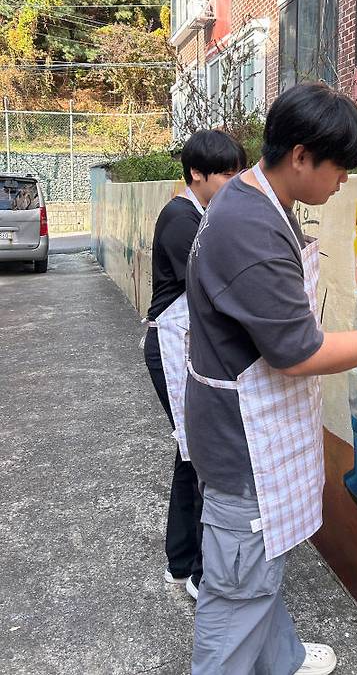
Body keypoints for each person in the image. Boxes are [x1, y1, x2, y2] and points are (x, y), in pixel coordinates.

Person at [184, 84, 357, 675]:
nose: (344, 181)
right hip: (243, 441)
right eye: (340, 167)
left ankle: (284, 660)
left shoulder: (255, 199)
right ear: (300, 157)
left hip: (243, 424)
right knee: (240, 585)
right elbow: (300, 353)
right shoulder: (250, 230)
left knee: (258, 566)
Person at [143, 129, 246, 602]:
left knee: (191, 455)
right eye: (225, 174)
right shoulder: (182, 219)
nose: (233, 182)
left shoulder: (202, 214)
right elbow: (215, 281)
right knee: (200, 455)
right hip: (172, 344)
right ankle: (201, 574)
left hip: (187, 344)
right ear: (196, 174)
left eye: (237, 172)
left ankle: (182, 562)